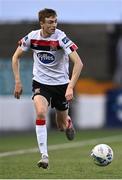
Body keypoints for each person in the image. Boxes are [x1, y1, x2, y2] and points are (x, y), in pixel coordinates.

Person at [12, 8, 83, 169]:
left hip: (61, 85)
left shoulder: (61, 38)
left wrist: (70, 87)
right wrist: (18, 81)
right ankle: (44, 156)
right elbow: (15, 57)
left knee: (61, 126)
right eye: (50, 22)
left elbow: (78, 63)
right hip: (41, 84)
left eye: (55, 21)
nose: (54, 25)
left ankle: (68, 122)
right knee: (41, 112)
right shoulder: (32, 37)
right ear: (41, 23)